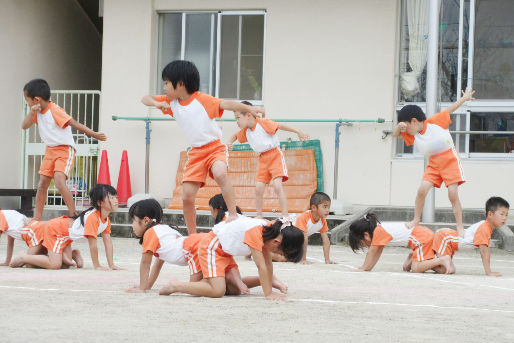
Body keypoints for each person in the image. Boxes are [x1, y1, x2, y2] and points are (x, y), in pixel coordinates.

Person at [141, 60, 264, 234]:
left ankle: (233, 214)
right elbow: (145, 98)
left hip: (214, 148)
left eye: (167, 83)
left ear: (181, 84)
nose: (164, 87)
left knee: (221, 173)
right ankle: (192, 235)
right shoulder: (172, 102)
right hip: (196, 153)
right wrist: (156, 104)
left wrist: (250, 108)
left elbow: (227, 104)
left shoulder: (201, 99)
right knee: (187, 197)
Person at [393, 87, 476, 237]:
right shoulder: (413, 135)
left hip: (450, 159)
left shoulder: (435, 121)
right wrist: (399, 127)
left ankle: (460, 226)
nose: (406, 130)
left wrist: (464, 98)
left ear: (414, 121)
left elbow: (451, 109)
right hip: (434, 164)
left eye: (406, 126)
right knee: (421, 190)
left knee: (452, 194)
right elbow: (396, 135)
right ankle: (416, 220)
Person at [159, 216, 304, 300]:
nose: (277, 256)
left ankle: (219, 278)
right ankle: (176, 285)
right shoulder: (258, 231)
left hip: (225, 252)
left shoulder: (271, 232)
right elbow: (261, 266)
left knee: (234, 290)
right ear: (277, 243)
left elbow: (268, 265)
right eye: (279, 253)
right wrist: (269, 294)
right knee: (217, 291)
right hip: (212, 246)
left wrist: (270, 282)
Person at [21, 79, 107, 220]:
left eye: (27, 100)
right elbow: (24, 126)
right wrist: (31, 112)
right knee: (42, 184)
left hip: (64, 149)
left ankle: (73, 214)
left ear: (36, 99)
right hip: (50, 150)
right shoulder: (35, 112)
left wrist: (93, 134)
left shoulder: (54, 110)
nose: (28, 103)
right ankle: (37, 218)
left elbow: (73, 123)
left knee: (59, 181)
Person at [227, 101, 309, 218]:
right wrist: (229, 142)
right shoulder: (246, 131)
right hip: (262, 159)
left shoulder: (263, 123)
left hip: (275, 155)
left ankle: (285, 215)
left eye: (238, 118)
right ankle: (259, 215)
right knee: (258, 189)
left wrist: (298, 132)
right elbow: (234, 136)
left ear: (248, 115)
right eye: (236, 118)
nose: (237, 121)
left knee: (277, 186)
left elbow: (280, 125)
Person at [125, 198, 208, 292]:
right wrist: (147, 286)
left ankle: (176, 284)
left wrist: (142, 288)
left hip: (193, 248)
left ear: (146, 220)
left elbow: (145, 263)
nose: (132, 225)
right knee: (211, 283)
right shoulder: (164, 229)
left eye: (133, 220)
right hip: (201, 242)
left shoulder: (150, 233)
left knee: (195, 289)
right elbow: (157, 265)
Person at [348, 212, 453, 274]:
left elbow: (372, 252)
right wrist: (368, 268)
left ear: (366, 235)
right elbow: (377, 252)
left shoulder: (378, 231)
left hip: (421, 238)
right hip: (421, 237)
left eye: (363, 243)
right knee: (443, 270)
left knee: (416, 268)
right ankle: (416, 258)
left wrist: (363, 268)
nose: (365, 246)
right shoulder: (379, 231)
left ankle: (442, 259)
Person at [432, 196, 509, 276]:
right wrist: (489, 272)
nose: (504, 218)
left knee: (450, 269)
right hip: (444, 238)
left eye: (506, 215)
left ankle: (428, 262)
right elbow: (484, 251)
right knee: (446, 269)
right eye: (502, 214)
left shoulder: (486, 227)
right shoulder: (484, 228)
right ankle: (425, 263)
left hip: (448, 241)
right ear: (490, 214)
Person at [68, 184, 122, 271]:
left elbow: (108, 243)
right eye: (111, 198)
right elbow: (93, 245)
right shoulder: (93, 217)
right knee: (55, 264)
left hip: (67, 239)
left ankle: (71, 254)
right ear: (99, 203)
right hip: (57, 231)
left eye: (116, 197)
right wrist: (97, 266)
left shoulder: (106, 219)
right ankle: (67, 255)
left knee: (66, 263)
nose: (115, 201)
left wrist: (112, 265)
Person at [9, 216, 82, 269]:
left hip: (40, 232)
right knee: (64, 265)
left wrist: (23, 257)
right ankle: (70, 255)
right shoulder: (26, 228)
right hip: (52, 230)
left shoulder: (28, 230)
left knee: (30, 264)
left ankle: (23, 256)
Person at [295, 192, 336, 264]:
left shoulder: (322, 220)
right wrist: (303, 259)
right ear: (314, 207)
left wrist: (327, 260)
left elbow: (326, 240)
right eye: (325, 207)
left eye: (328, 207)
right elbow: (304, 239)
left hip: (293, 240)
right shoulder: (303, 217)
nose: (327, 210)